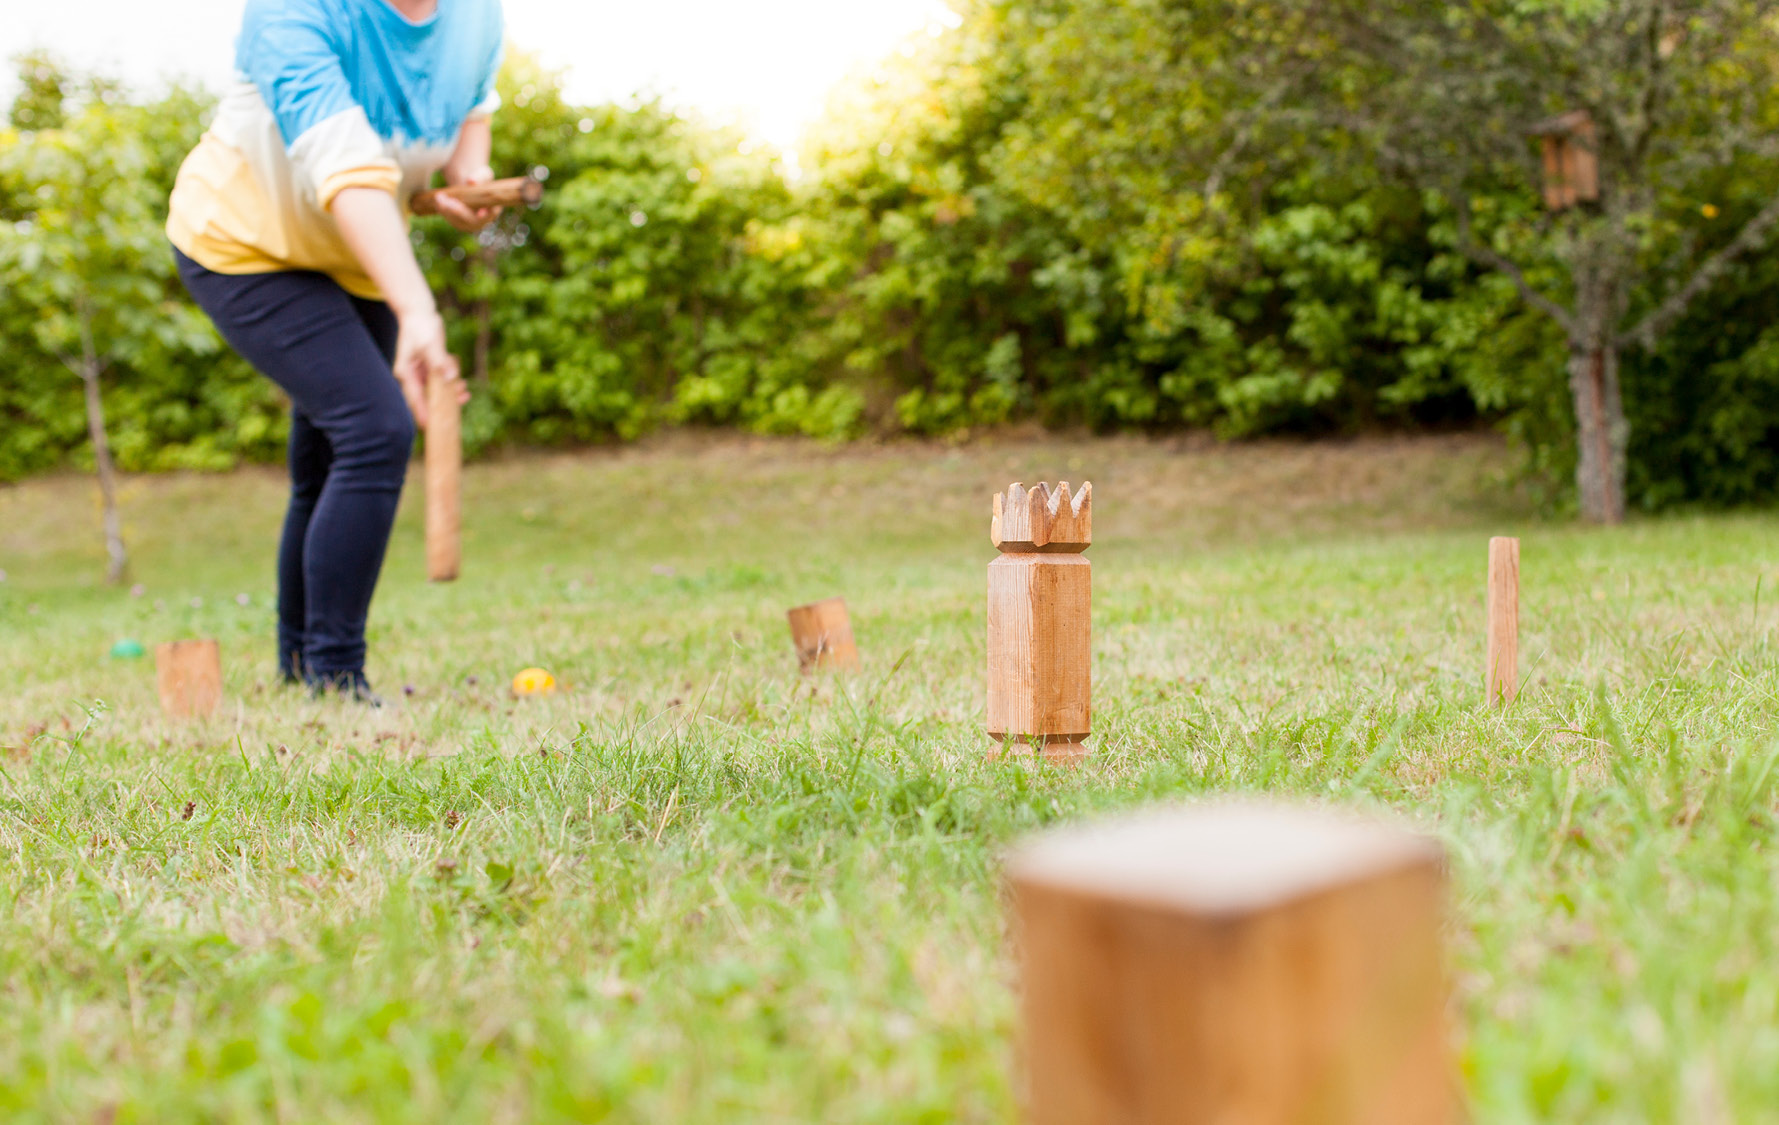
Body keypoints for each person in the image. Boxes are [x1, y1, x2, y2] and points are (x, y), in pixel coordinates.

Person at [167, 0, 505, 702]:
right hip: (243, 245)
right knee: (374, 428)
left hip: (354, 255)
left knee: (329, 454)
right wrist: (416, 309)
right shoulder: (293, 12)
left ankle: (300, 666)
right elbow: (346, 166)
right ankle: (336, 674)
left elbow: (471, 105)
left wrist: (466, 180)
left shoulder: (476, 13)